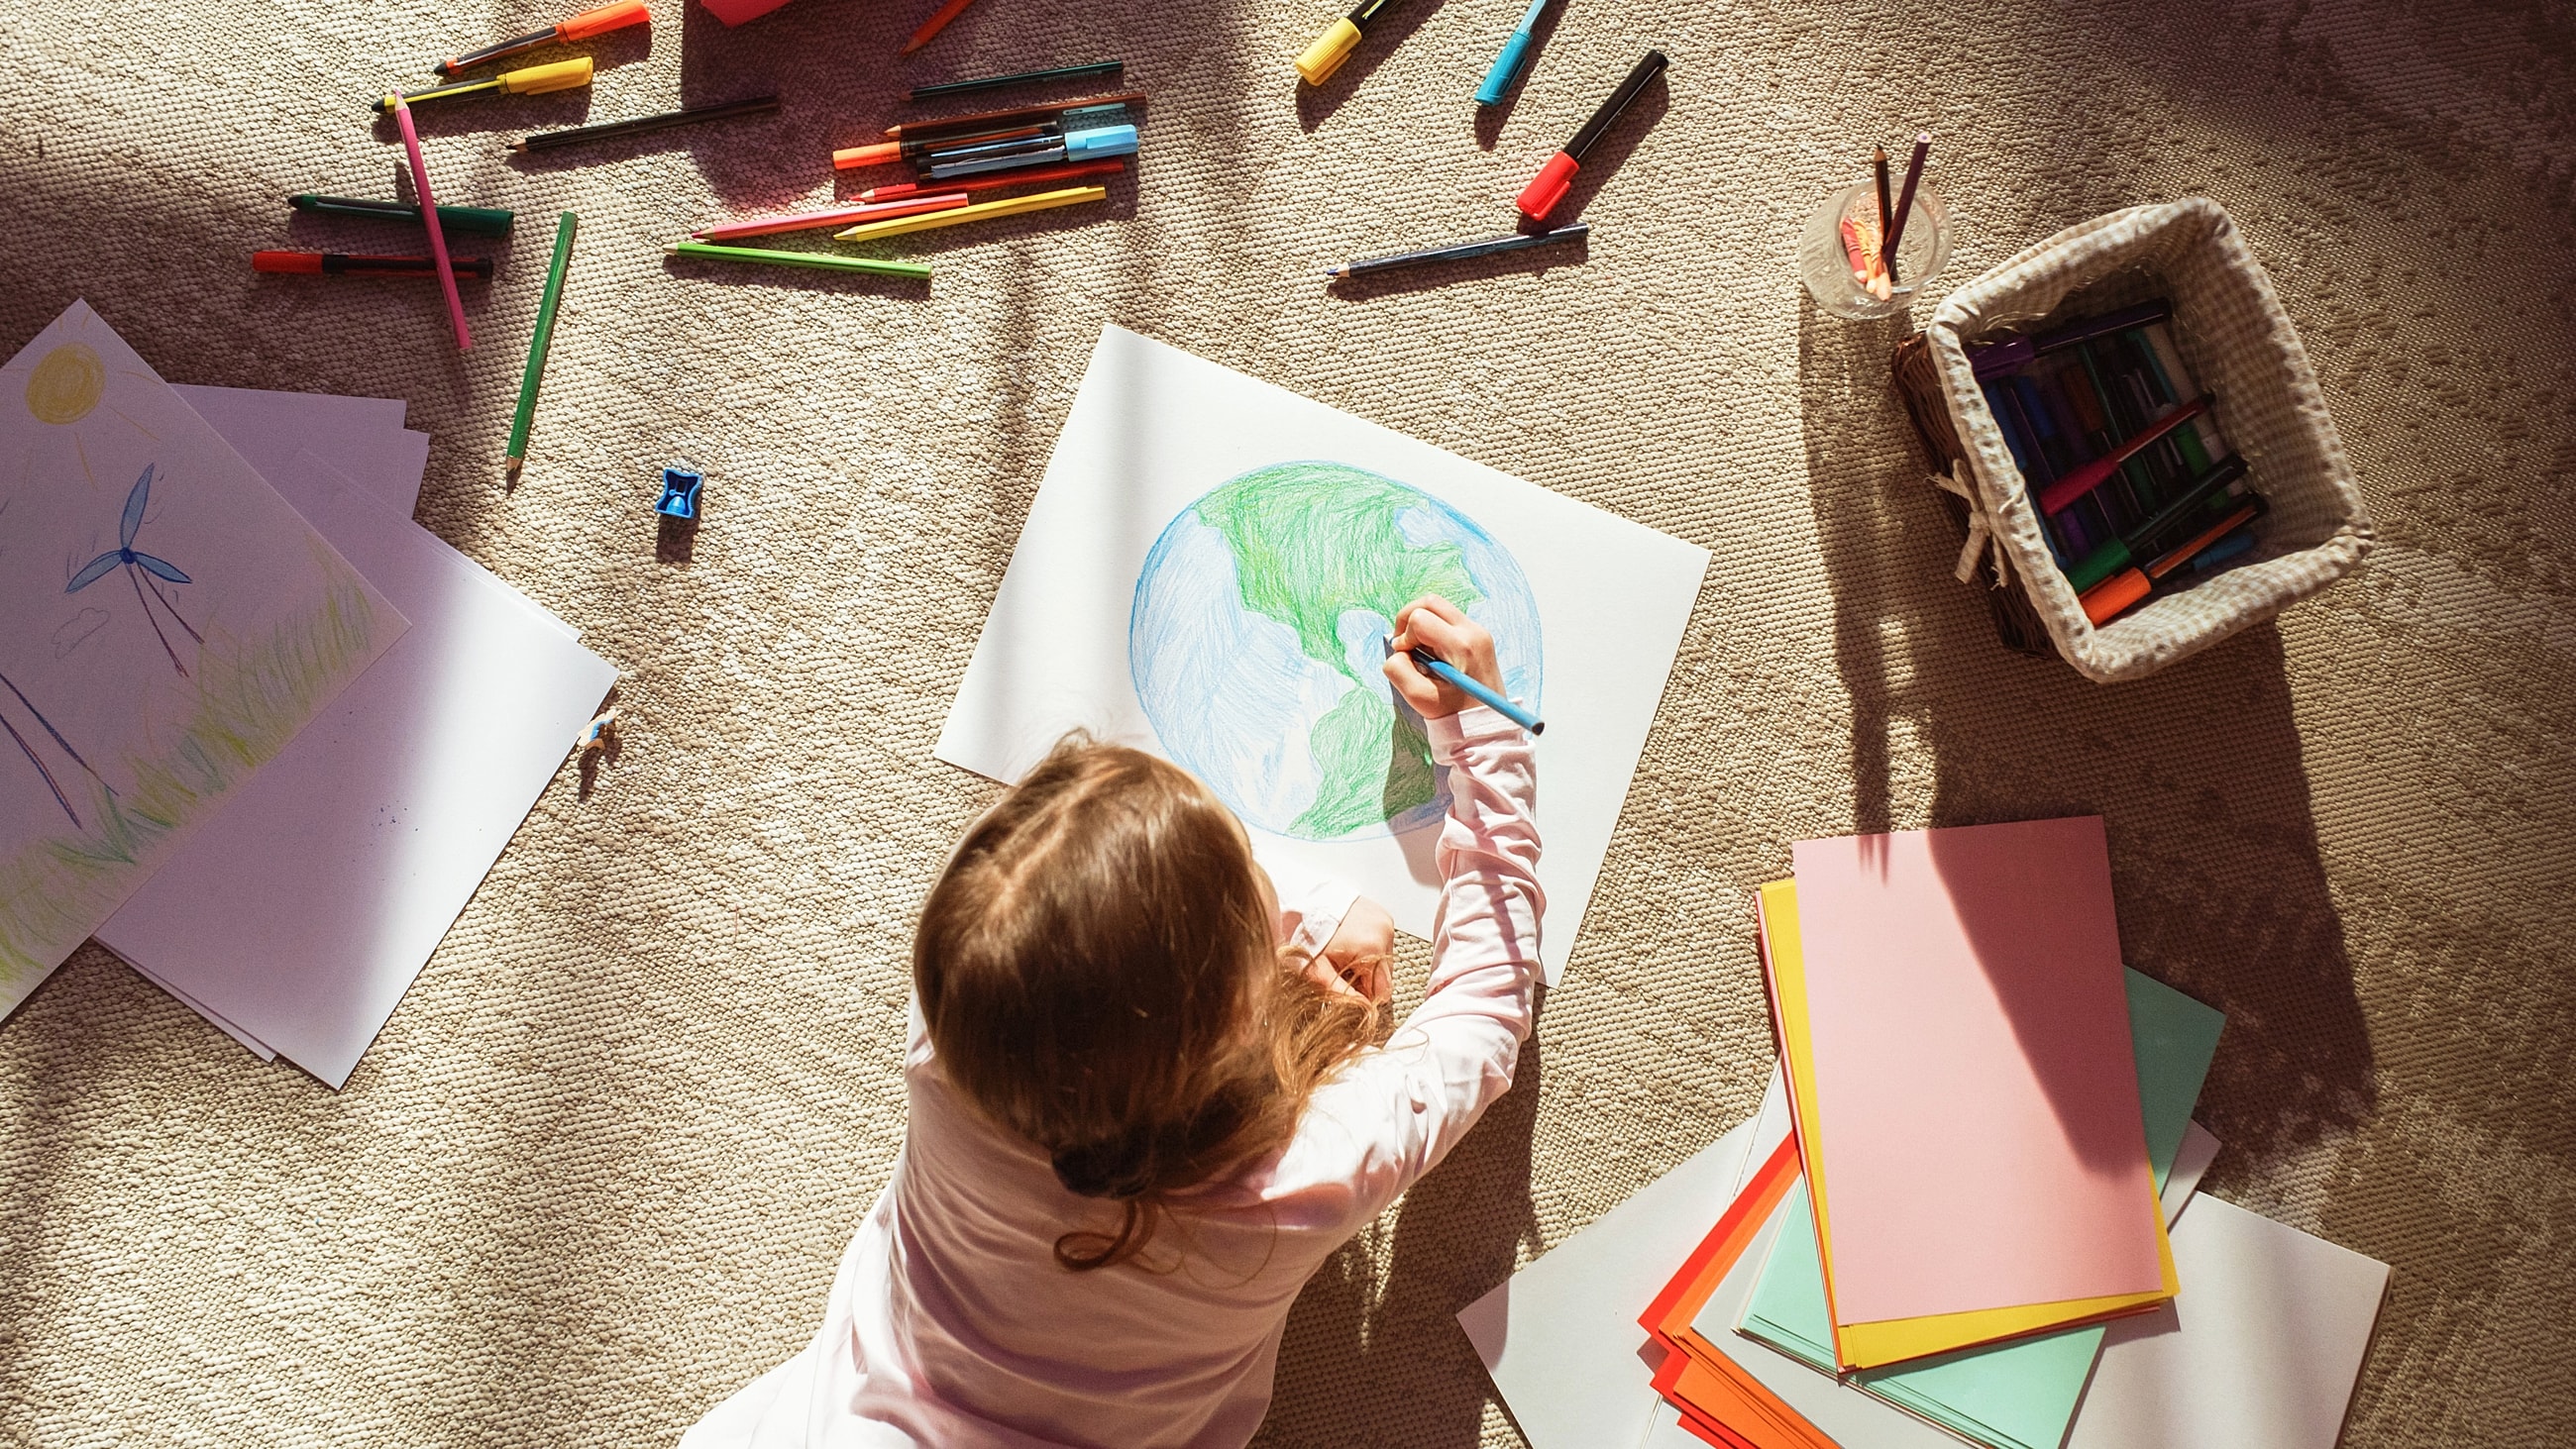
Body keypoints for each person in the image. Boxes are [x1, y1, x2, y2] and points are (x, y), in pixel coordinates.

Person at [682, 595, 1543, 1449]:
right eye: (1253, 867)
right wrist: (1484, 741)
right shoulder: (1304, 1178)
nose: (1263, 864)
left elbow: (1049, 890)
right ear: (1247, 1013)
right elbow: (1484, 1014)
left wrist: (1306, 912)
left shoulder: (949, 1030)